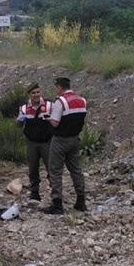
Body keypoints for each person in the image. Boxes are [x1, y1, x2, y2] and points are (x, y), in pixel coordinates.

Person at [42, 77, 88, 214]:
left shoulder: (60, 101)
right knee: (76, 170)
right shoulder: (82, 100)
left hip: (60, 140)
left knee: (55, 171)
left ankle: (57, 204)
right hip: (75, 139)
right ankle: (81, 201)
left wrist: (48, 119)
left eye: (56, 87)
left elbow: (55, 123)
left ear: (60, 87)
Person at [15, 82, 53, 201]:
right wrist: (20, 120)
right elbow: (18, 125)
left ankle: (56, 193)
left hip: (47, 142)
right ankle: (34, 193)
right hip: (32, 142)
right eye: (33, 93)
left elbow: (58, 120)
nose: (36, 95)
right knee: (33, 168)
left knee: (51, 169)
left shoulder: (50, 105)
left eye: (38, 92)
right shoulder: (24, 108)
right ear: (29, 95)